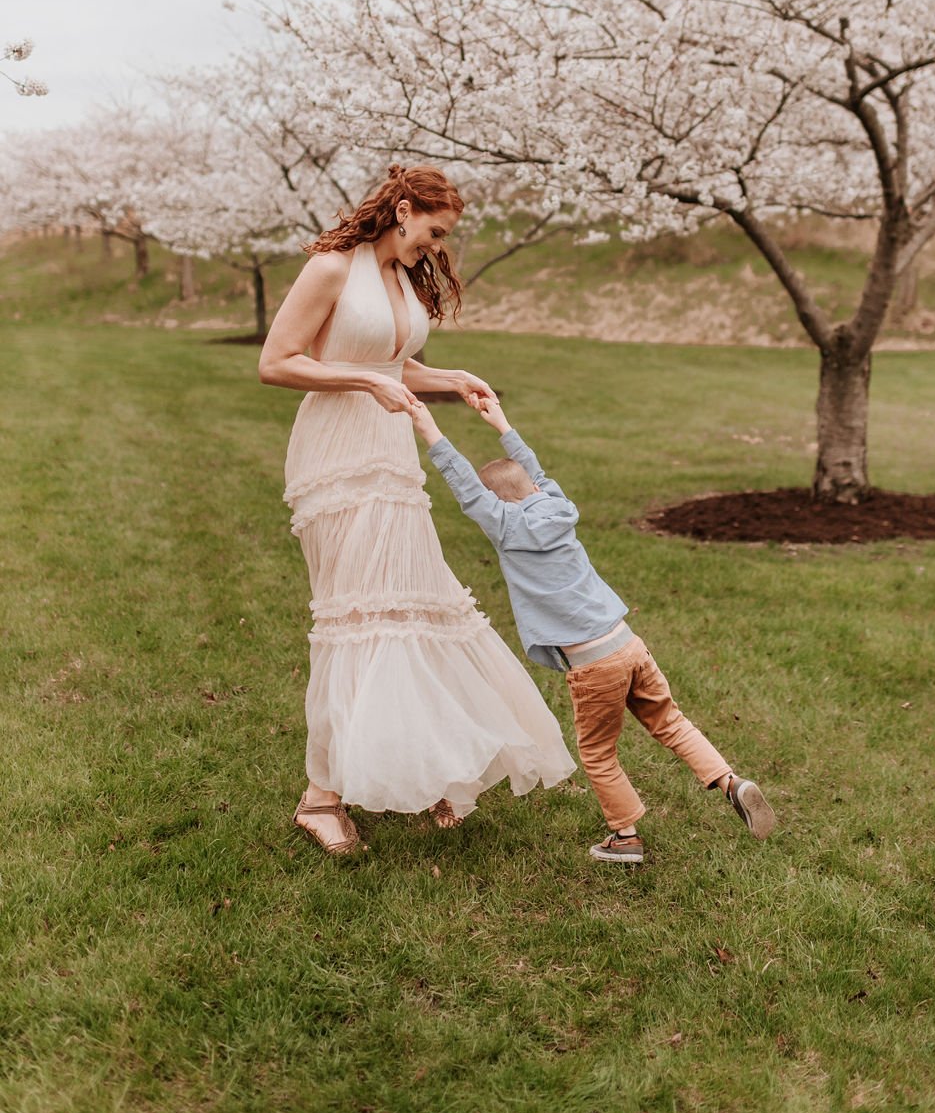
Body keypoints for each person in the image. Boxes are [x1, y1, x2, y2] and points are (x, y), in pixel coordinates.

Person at [259, 165, 575, 855]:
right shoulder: (330, 269)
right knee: (356, 612)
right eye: (433, 231)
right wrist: (366, 383)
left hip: (391, 454)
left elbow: (393, 366)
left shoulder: (402, 276)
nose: (436, 247)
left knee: (413, 604)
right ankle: (320, 799)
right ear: (402, 210)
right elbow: (278, 362)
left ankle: (420, 767)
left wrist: (448, 379)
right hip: (336, 454)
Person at [410, 394, 776, 865]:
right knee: (671, 722)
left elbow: (467, 488)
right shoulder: (558, 506)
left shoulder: (502, 524)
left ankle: (625, 838)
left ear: (495, 504)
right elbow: (533, 472)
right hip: (628, 643)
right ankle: (730, 781)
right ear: (536, 490)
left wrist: (430, 430)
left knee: (599, 753)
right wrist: (500, 422)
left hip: (592, 663)